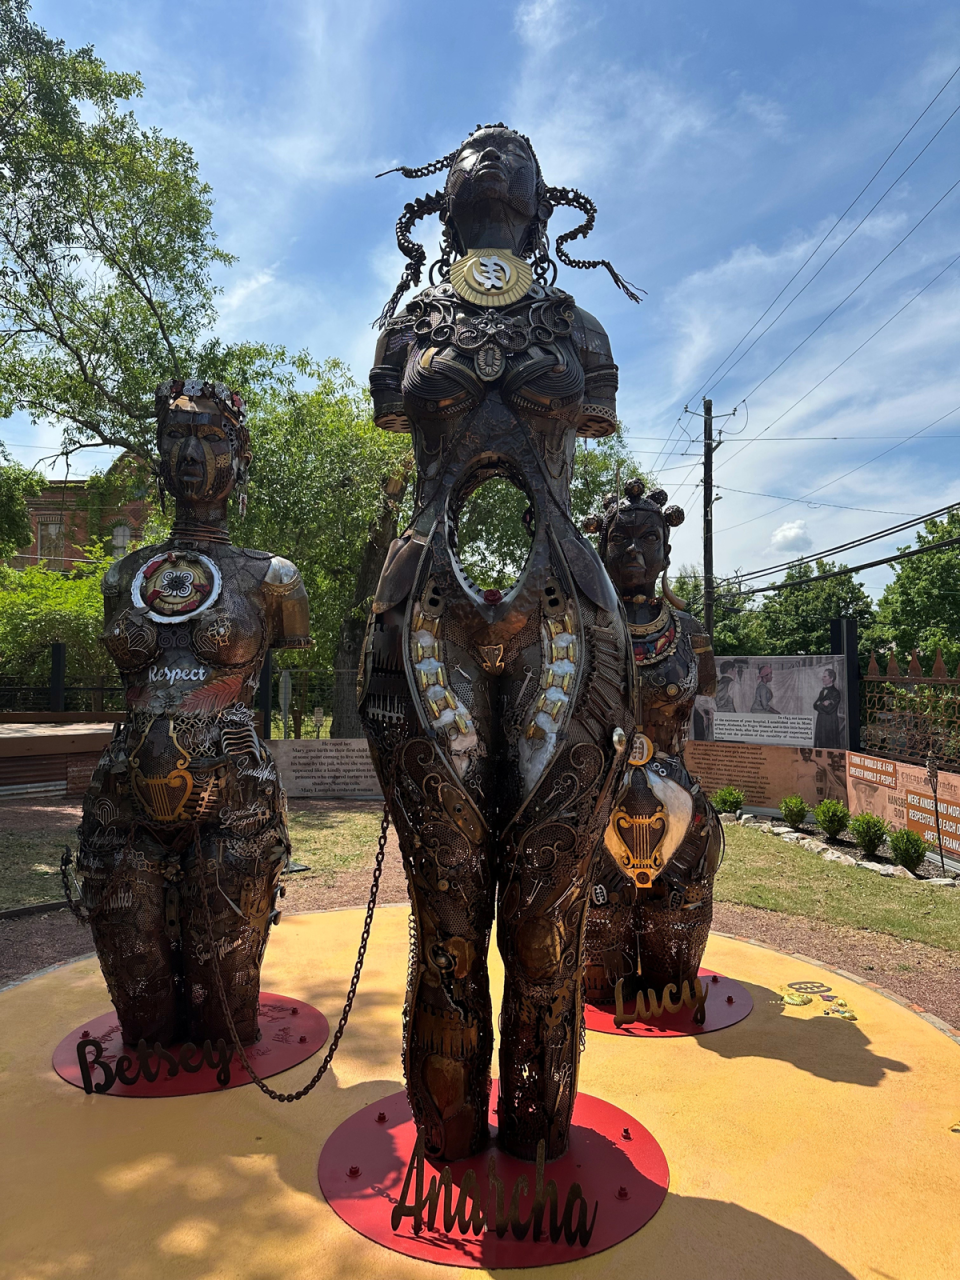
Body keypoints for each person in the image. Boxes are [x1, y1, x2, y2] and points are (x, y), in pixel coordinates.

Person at [361, 124, 638, 1161]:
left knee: (544, 902)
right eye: (475, 149)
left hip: (565, 617)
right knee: (446, 900)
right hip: (422, 611)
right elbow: (400, 413)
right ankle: (445, 1131)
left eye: (511, 148)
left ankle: (536, 1126)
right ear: (445, 198)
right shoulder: (409, 325)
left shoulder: (577, 326)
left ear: (542, 197)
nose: (492, 153)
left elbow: (590, 417)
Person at [75, 379, 310, 1050]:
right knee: (142, 1018)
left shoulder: (273, 578)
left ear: (241, 455)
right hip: (122, 801)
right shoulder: (123, 576)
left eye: (211, 436)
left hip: (233, 801)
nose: (190, 452)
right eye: (176, 435)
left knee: (223, 1017)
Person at [582, 480, 723, 1005]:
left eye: (648, 539)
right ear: (602, 549)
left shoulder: (690, 633)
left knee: (677, 928)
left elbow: (704, 689)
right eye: (621, 539)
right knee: (600, 928)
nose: (634, 551)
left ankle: (670, 978)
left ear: (665, 552)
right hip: (596, 798)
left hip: (678, 799)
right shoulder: (581, 630)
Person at [813, 667, 843, 747]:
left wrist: (820, 704)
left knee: (829, 745)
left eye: (825, 676)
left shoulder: (836, 693)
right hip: (821, 722)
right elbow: (815, 705)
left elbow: (829, 709)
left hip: (830, 724)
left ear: (831, 678)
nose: (822, 678)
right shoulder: (822, 692)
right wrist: (822, 704)